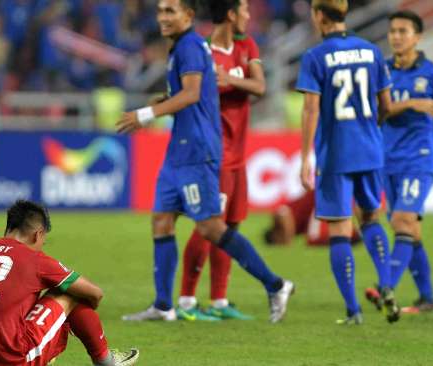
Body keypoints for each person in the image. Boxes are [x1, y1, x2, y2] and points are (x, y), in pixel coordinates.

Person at [118, 0, 294, 323]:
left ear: (188, 15)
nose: (162, 17)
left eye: (170, 11)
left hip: (198, 151)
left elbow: (192, 94)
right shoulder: (181, 48)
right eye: (160, 10)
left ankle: (275, 284)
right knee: (161, 220)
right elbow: (190, 95)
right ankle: (163, 305)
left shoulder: (192, 46)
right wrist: (162, 102)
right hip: (178, 151)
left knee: (211, 227)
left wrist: (145, 115)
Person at [296, 0, 397, 324]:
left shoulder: (315, 56)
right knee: (371, 218)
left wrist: (304, 156)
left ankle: (353, 310)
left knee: (340, 229)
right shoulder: (372, 51)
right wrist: (370, 131)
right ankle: (386, 285)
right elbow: (387, 105)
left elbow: (311, 109)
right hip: (370, 148)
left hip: (336, 153)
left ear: (320, 16)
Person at [0, 200, 139, 366]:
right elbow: (95, 293)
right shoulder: (32, 258)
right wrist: (81, 312)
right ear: (37, 234)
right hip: (10, 359)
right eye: (43, 241)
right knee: (69, 291)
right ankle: (106, 361)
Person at [365, 10, 433, 314]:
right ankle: (427, 299)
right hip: (386, 160)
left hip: (418, 160)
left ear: (418, 36)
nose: (396, 36)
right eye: (392, 30)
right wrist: (409, 104)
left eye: (403, 31)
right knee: (410, 231)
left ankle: (386, 288)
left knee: (402, 221)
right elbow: (377, 115)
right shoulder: (380, 71)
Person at [176, 0, 264, 322]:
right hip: (214, 154)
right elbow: (186, 93)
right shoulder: (200, 50)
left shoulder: (247, 44)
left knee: (232, 226)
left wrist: (229, 79)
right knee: (208, 226)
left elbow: (260, 86)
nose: (249, 16)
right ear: (230, 14)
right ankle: (186, 302)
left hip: (239, 156)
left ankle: (219, 300)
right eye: (244, 10)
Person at [263, 191, 362, 246]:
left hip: (319, 200)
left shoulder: (278, 217)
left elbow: (284, 214)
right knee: (335, 227)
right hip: (320, 202)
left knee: (313, 237)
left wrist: (288, 242)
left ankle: (350, 237)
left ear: (275, 234)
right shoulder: (297, 226)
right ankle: (352, 236)